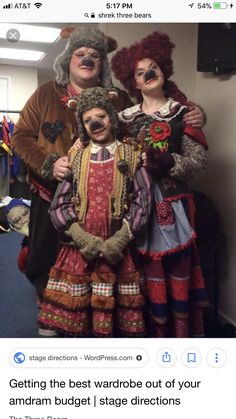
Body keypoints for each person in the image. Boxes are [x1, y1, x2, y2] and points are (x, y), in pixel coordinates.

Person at [10, 25, 204, 303]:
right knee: (47, 258)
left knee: (100, 263)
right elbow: (20, 137)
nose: (87, 58)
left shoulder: (120, 98)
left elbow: (153, 111)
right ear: (68, 60)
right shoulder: (44, 94)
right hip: (51, 192)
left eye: (95, 54)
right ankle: (49, 307)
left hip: (105, 198)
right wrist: (48, 164)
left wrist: (196, 114)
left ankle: (92, 314)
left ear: (102, 64)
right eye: (80, 53)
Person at [111, 31, 209, 337]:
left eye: (153, 67)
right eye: (140, 72)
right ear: (134, 82)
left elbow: (199, 165)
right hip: (134, 209)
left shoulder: (184, 114)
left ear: (163, 70)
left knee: (177, 273)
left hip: (173, 207)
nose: (148, 74)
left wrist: (170, 163)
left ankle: (178, 342)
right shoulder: (122, 118)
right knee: (139, 276)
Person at [38, 87, 152, 337]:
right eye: (87, 120)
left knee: (114, 317)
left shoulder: (131, 156)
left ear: (112, 117)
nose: (95, 123)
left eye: (100, 116)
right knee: (76, 313)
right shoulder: (76, 158)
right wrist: (80, 236)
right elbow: (59, 204)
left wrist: (121, 239)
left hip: (117, 247)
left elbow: (143, 201)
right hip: (80, 248)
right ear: (83, 126)